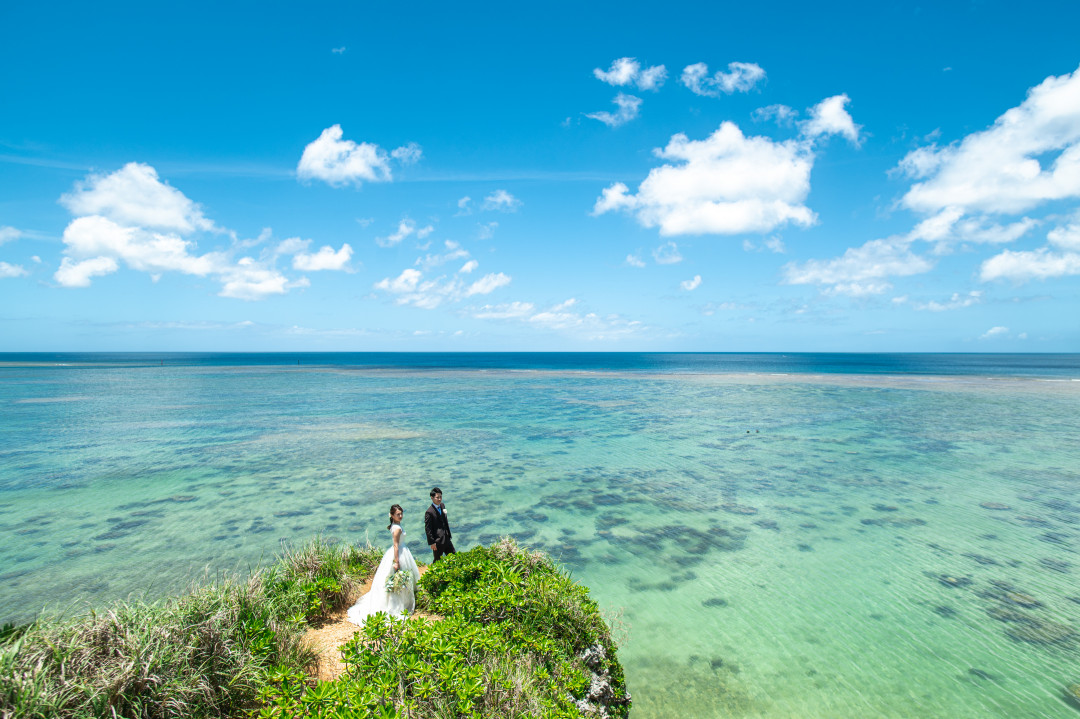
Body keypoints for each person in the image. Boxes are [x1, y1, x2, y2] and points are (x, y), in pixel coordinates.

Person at [346, 504, 420, 624]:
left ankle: (403, 599)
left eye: (401, 513)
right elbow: (396, 545)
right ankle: (399, 603)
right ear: (392, 515)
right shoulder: (397, 528)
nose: (400, 516)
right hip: (399, 553)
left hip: (400, 551)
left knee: (395, 580)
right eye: (398, 514)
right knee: (398, 579)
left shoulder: (394, 526)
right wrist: (397, 561)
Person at [424, 487, 455, 562]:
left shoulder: (442, 506)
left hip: (447, 537)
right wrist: (432, 542)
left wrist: (448, 534)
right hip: (437, 541)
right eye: (437, 497)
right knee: (437, 560)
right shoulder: (429, 512)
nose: (439, 499)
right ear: (432, 498)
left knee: (454, 556)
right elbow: (428, 529)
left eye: (440, 497)